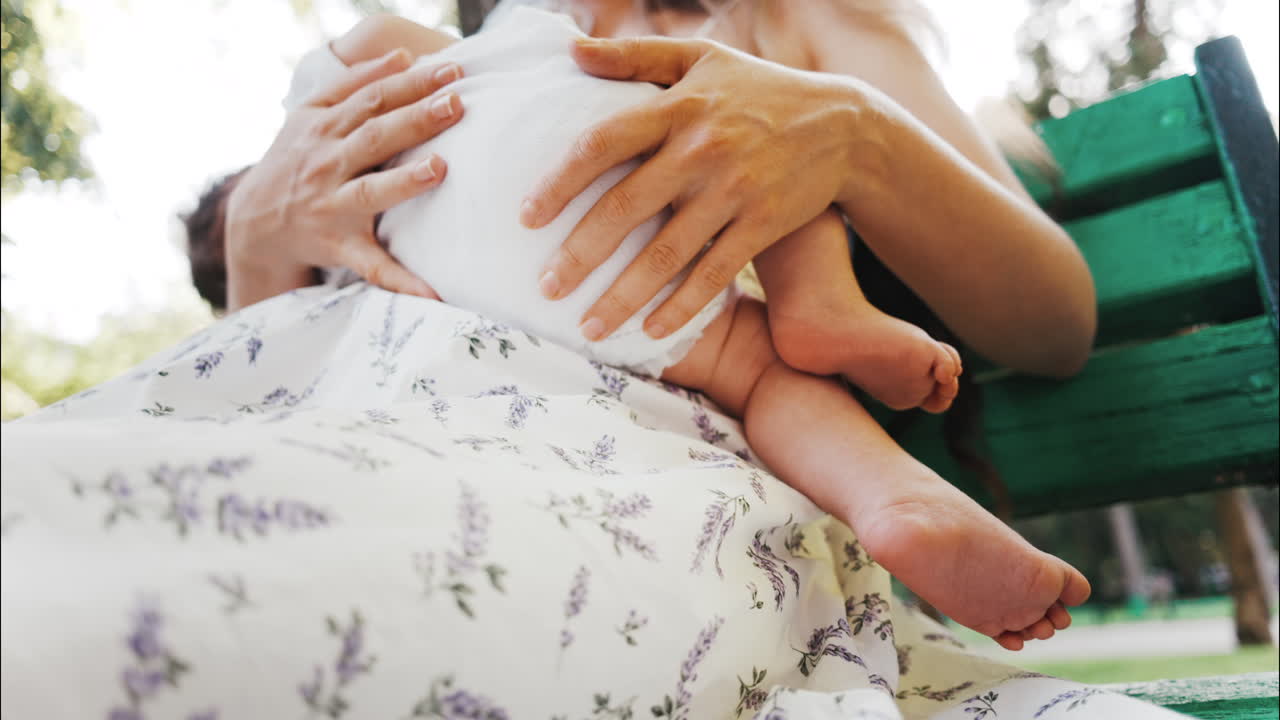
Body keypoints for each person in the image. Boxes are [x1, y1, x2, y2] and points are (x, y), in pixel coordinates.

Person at [191, 3, 1093, 651]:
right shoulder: (521, 35)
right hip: (498, 394)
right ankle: (878, 461)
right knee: (758, 354)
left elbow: (1058, 322)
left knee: (753, 143)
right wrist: (256, 230)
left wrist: (850, 135)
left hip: (585, 449)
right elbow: (286, 366)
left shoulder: (794, 21)